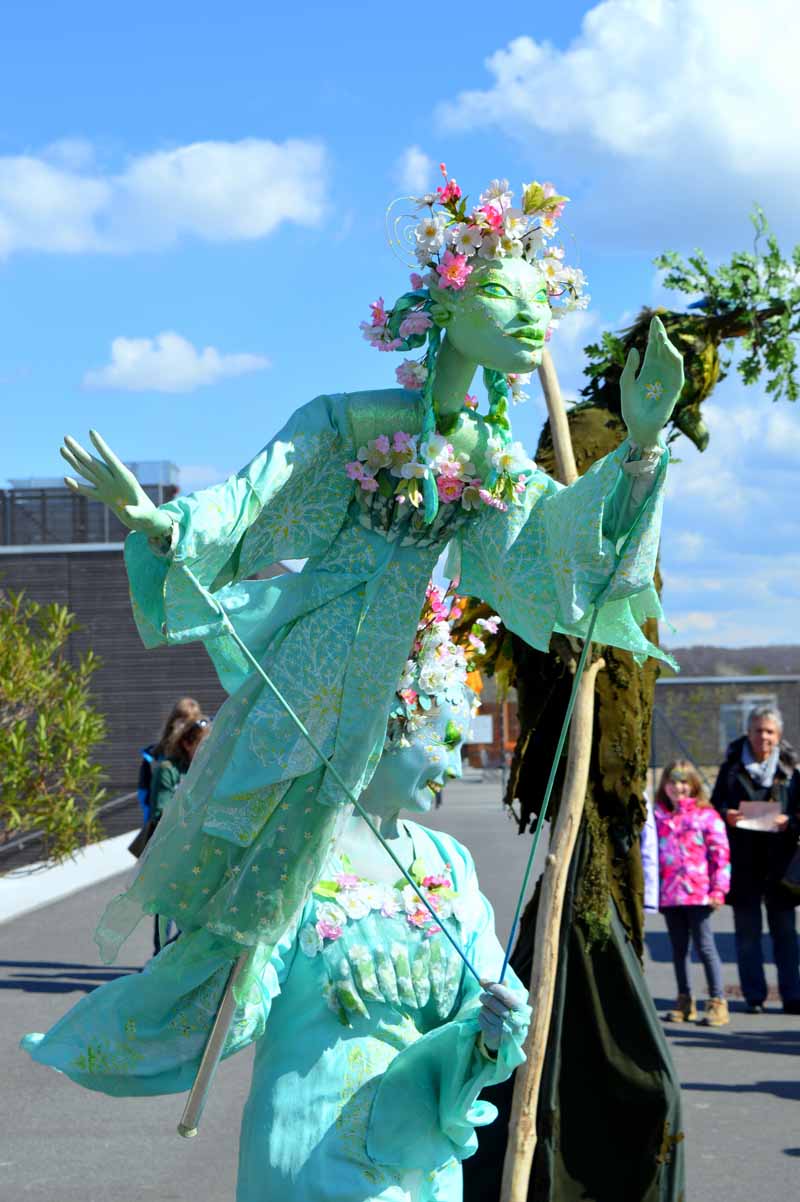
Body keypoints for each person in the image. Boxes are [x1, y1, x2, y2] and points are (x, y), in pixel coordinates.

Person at [57, 168, 683, 982]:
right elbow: (256, 493)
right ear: (447, 305)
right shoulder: (351, 422)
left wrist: (638, 454)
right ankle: (222, 991)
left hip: (390, 671)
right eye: (505, 294)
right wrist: (166, 522)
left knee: (348, 847)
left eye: (544, 301)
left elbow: (563, 543)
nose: (534, 317)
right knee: (253, 830)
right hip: (308, 656)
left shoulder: (491, 459)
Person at [24, 587, 530, 1202]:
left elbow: (484, 992)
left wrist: (497, 1025)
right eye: (444, 741)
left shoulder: (450, 863)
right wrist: (218, 993)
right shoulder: (299, 855)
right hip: (310, 1148)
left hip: (419, 1158)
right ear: (389, 729)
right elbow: (245, 993)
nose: (454, 764)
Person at [711, 705, 800, 1014]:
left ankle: (792, 996)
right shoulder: (731, 769)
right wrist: (727, 816)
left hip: (781, 866)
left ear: (779, 735)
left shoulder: (792, 772)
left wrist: (790, 820)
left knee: (786, 935)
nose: (764, 736)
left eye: (770, 731)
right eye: (758, 730)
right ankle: (754, 996)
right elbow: (713, 809)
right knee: (747, 936)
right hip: (744, 865)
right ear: (748, 732)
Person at [655, 760, 730, 1025]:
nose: (678, 787)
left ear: (694, 785)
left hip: (700, 894)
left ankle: (717, 1001)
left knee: (705, 946)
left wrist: (719, 888)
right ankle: (684, 1000)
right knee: (678, 949)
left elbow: (720, 854)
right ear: (664, 785)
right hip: (670, 895)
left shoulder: (706, 816)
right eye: (673, 782)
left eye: (684, 782)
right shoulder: (658, 817)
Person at [150, 713, 210, 953]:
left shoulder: (208, 770)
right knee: (165, 907)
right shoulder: (168, 770)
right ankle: (160, 955)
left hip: (197, 851)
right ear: (187, 743)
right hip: (170, 851)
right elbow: (160, 811)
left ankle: (176, 952)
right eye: (203, 745)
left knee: (193, 909)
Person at [137, 697, 201, 821]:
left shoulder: (197, 759)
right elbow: (149, 803)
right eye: (184, 721)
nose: (187, 728)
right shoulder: (160, 762)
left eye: (192, 723)